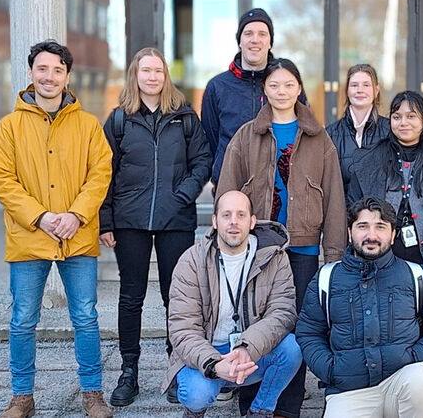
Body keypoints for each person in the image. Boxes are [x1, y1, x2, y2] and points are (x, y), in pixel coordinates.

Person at [0, 40, 114, 418]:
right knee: (24, 318)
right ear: (30, 73)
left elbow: (100, 173)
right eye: (42, 69)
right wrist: (42, 217)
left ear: (67, 76)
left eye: (57, 70)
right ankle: (21, 396)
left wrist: (76, 214)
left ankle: (93, 393)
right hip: (29, 236)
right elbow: (2, 179)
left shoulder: (89, 125)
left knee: (86, 317)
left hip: (78, 236)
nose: (49, 76)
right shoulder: (9, 127)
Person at [217, 57, 346, 418]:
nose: (282, 91)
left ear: (299, 88)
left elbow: (335, 198)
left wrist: (333, 255)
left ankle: (287, 407)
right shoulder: (247, 135)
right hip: (256, 248)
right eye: (274, 85)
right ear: (265, 90)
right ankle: (252, 403)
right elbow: (228, 188)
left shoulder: (319, 138)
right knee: (256, 324)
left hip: (303, 248)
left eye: (289, 84)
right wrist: (226, 239)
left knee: (298, 326)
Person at [99, 47, 212, 406]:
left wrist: (184, 195)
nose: (152, 77)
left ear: (166, 76)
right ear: (135, 75)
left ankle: (177, 367)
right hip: (129, 219)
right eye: (145, 70)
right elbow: (103, 172)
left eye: (158, 71)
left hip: (175, 220)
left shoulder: (184, 117)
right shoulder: (119, 120)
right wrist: (105, 219)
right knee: (131, 297)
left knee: (175, 298)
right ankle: (128, 372)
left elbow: (203, 160)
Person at [295, 197, 423, 417]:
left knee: (419, 380)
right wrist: (330, 369)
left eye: (380, 227)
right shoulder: (327, 279)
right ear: (349, 232)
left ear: (393, 234)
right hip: (349, 391)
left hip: (400, 384)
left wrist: (415, 357)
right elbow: (307, 332)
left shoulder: (416, 275)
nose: (371, 236)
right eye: (362, 226)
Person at [164, 190, 301, 418]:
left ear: (252, 221)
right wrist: (215, 364)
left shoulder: (274, 257)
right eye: (226, 215)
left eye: (241, 214)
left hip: (252, 350)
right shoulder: (191, 261)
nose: (234, 222)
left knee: (292, 348)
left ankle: (260, 411)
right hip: (208, 352)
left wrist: (247, 346)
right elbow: (182, 328)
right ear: (215, 221)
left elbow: (283, 312)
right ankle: (194, 412)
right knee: (195, 394)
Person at [347, 91, 423, 313]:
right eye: (397, 116)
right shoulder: (368, 161)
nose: (403, 122)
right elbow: (352, 211)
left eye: (411, 116)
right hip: (379, 265)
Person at [201, 8, 303, 190]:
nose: (255, 39)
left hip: (279, 186)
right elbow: (211, 140)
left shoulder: (286, 83)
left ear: (270, 42)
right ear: (239, 41)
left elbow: (301, 129)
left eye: (262, 34)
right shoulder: (217, 86)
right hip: (231, 183)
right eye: (248, 33)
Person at [326, 63, 390, 194]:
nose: (360, 90)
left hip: (381, 213)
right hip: (344, 213)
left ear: (376, 90)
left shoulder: (390, 130)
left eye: (366, 85)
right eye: (354, 85)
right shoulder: (330, 134)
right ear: (347, 90)